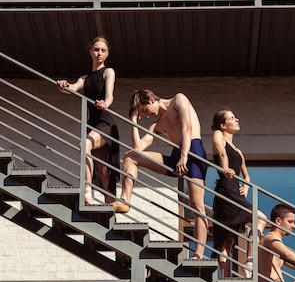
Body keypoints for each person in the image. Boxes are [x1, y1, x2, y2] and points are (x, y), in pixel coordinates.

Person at [112, 89, 208, 260]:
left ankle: (198, 254)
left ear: (150, 100)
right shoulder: (158, 125)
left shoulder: (178, 99)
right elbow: (138, 147)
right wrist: (134, 120)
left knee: (196, 205)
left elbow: (187, 127)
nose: (147, 116)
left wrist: (184, 156)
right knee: (131, 157)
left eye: (144, 111)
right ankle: (124, 201)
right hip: (177, 155)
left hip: (193, 150)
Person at [57, 36, 120, 205]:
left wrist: (105, 103)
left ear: (107, 54)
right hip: (92, 123)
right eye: (96, 49)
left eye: (103, 50)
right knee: (102, 170)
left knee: (84, 146)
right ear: (90, 51)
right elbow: (71, 88)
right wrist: (63, 85)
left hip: (106, 122)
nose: (99, 53)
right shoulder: (84, 78)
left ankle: (87, 193)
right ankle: (109, 206)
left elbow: (109, 96)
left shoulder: (108, 72)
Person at [211, 110, 267, 278]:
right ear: (223, 125)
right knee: (226, 240)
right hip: (226, 190)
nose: (237, 119)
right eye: (232, 118)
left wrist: (246, 187)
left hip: (236, 191)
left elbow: (247, 176)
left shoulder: (238, 151)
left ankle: (249, 260)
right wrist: (225, 167)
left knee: (234, 237)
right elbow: (221, 153)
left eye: (235, 117)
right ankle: (229, 276)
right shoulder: (217, 134)